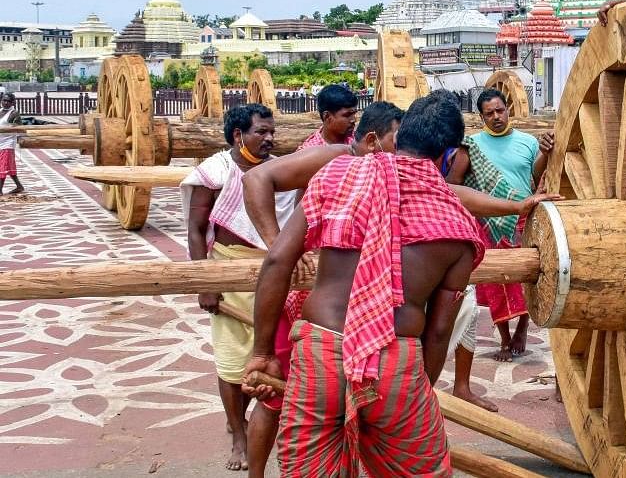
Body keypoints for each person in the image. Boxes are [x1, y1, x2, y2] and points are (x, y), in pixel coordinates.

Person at [243, 91, 485, 476]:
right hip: (395, 359)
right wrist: (413, 389)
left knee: (308, 468)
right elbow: (439, 332)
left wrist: (262, 352)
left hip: (320, 351)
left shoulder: (341, 175)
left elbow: (277, 260)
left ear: (400, 133)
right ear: (448, 155)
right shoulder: (457, 224)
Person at [239, 101, 403, 478]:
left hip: (346, 309)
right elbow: (255, 179)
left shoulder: (385, 168)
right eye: (398, 140)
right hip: (307, 298)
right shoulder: (338, 156)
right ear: (374, 140)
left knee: (341, 409)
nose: (402, 151)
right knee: (276, 399)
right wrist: (278, 243)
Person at [180, 104, 301, 472]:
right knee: (232, 360)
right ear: (238, 135)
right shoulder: (214, 171)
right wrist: (206, 281)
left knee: (275, 353)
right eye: (260, 132)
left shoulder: (278, 170)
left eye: (271, 132)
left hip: (272, 270)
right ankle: (238, 431)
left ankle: (269, 421)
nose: (269, 139)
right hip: (227, 268)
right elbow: (197, 229)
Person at [446, 88, 551, 362]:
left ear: (508, 110)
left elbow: (535, 176)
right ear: (482, 117)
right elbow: (454, 184)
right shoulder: (472, 145)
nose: (496, 117)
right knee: (495, 282)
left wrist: (545, 153)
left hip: (522, 219)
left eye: (500, 111)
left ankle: (523, 327)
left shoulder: (528, 142)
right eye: (489, 113)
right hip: (487, 222)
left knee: (526, 276)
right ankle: (504, 335)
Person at [298, 83, 359, 150]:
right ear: (327, 116)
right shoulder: (308, 154)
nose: (353, 120)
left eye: (354, 114)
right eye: (347, 115)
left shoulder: (359, 141)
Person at [0, 93, 24, 195]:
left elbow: (20, 128)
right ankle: (19, 186)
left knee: (3, 166)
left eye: (8, 101)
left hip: (8, 143)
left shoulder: (14, 113)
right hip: (0, 142)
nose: (5, 103)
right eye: (4, 100)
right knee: (7, 166)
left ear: (12, 102)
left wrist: (21, 139)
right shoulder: (0, 111)